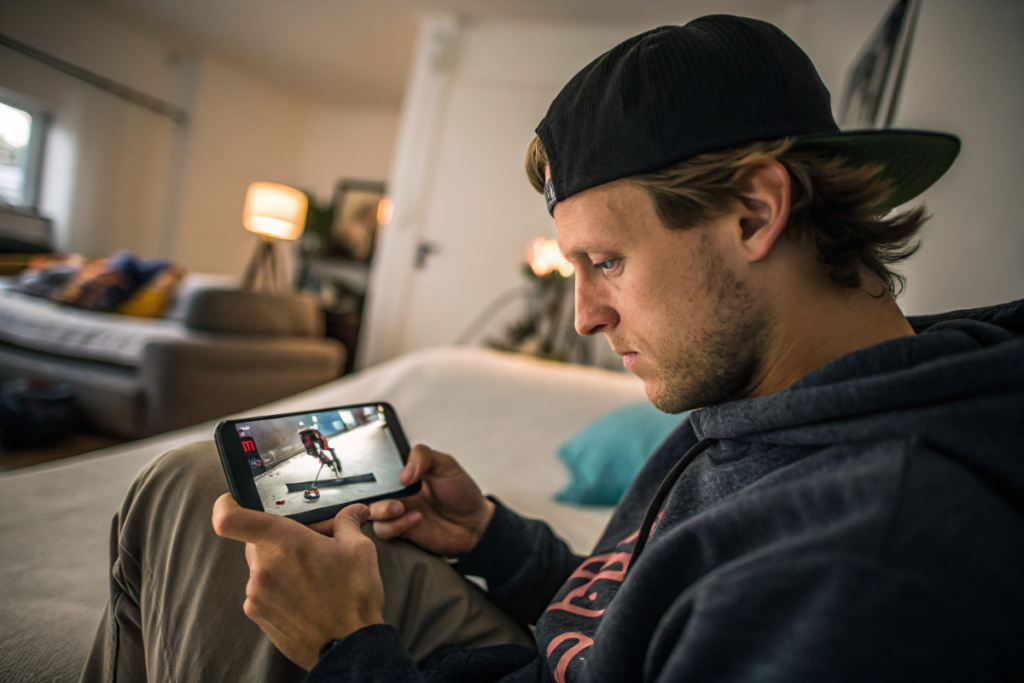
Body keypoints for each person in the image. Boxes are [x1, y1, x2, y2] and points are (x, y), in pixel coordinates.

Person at [81, 14, 1024, 683]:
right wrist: (498, 539)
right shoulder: (776, 391)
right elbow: (653, 605)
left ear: (755, 212)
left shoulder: (872, 556)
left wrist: (347, 649)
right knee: (187, 489)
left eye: (607, 259)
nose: (583, 316)